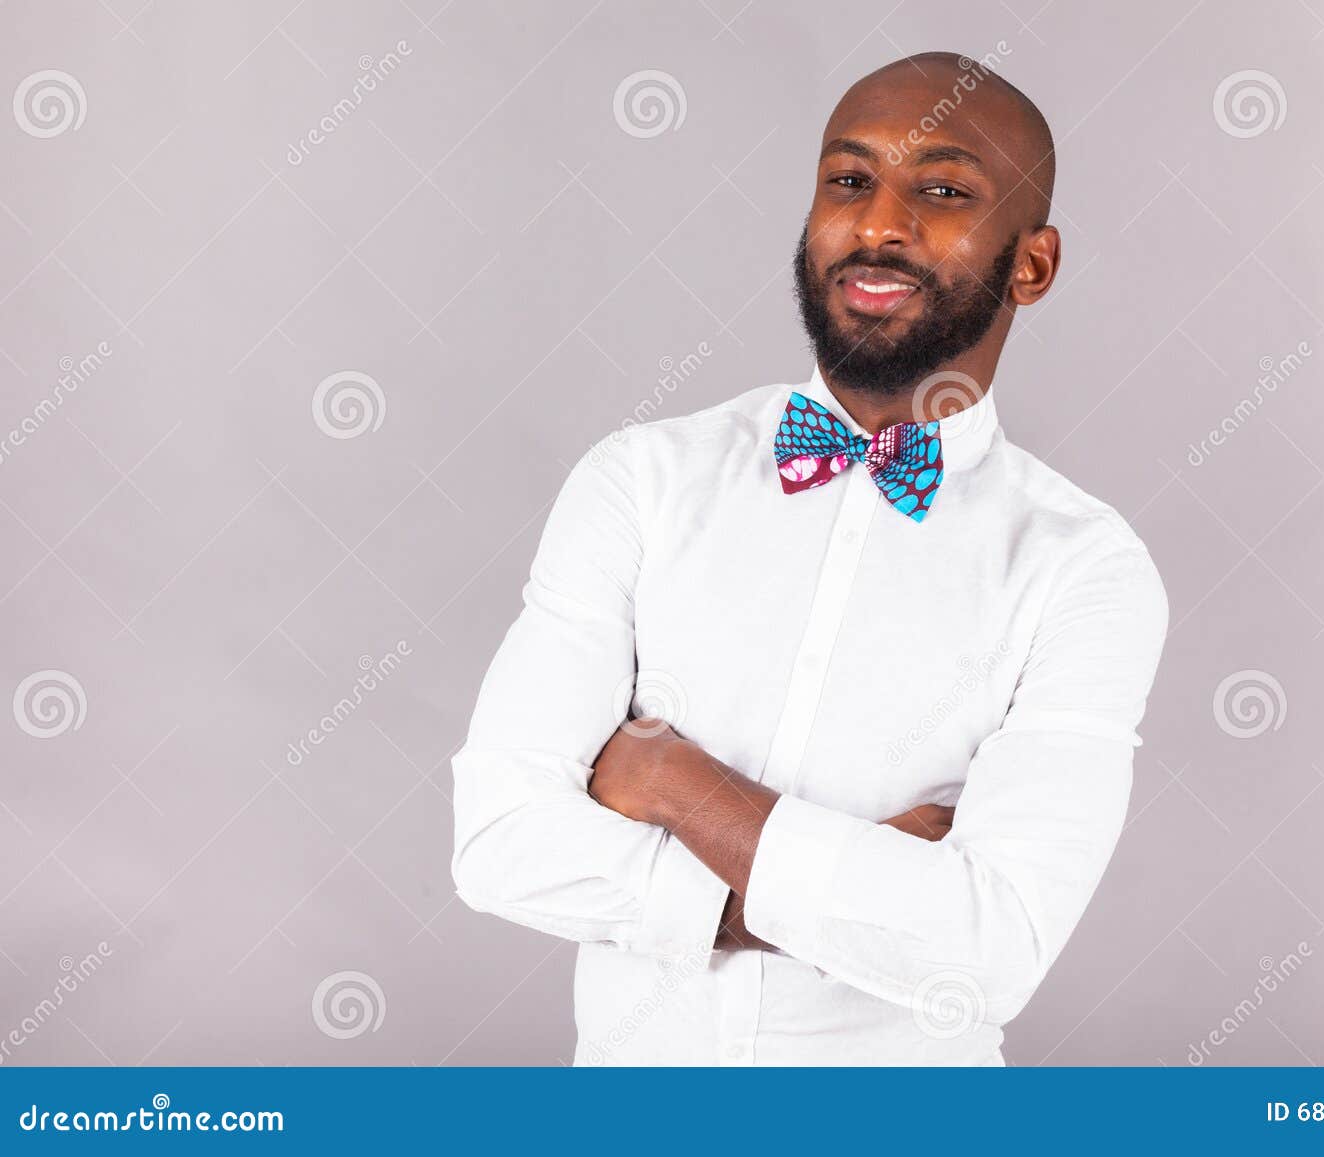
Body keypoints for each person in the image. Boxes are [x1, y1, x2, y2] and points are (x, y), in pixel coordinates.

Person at [450, 51, 1169, 1065]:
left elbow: (991, 949)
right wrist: (860, 891)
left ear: (1031, 264)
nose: (880, 221)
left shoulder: (1085, 568)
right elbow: (499, 845)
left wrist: (673, 784)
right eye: (848, 180)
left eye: (943, 190)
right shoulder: (640, 480)